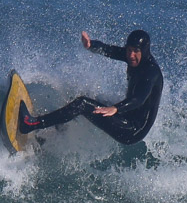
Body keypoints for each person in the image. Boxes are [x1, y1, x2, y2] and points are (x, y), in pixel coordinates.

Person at [19, 29, 163, 145]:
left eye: (136, 51)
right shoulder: (132, 57)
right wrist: (91, 45)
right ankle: (47, 137)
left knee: (82, 104)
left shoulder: (151, 71)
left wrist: (116, 108)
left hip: (132, 130)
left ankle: (31, 125)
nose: (131, 55)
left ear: (144, 51)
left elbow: (139, 99)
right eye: (129, 50)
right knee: (79, 100)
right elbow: (110, 50)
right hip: (125, 115)